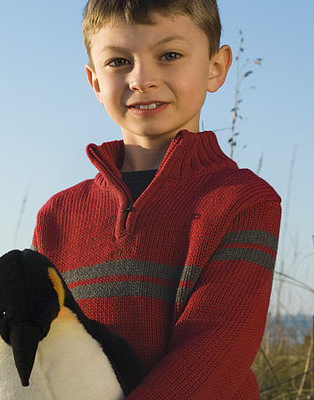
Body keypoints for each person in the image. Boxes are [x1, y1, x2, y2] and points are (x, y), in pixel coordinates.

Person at [30, 0, 282, 398]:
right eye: (118, 62)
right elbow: (33, 350)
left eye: (169, 55)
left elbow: (212, 356)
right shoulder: (57, 216)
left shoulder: (244, 202)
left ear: (215, 68)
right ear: (94, 81)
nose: (141, 79)